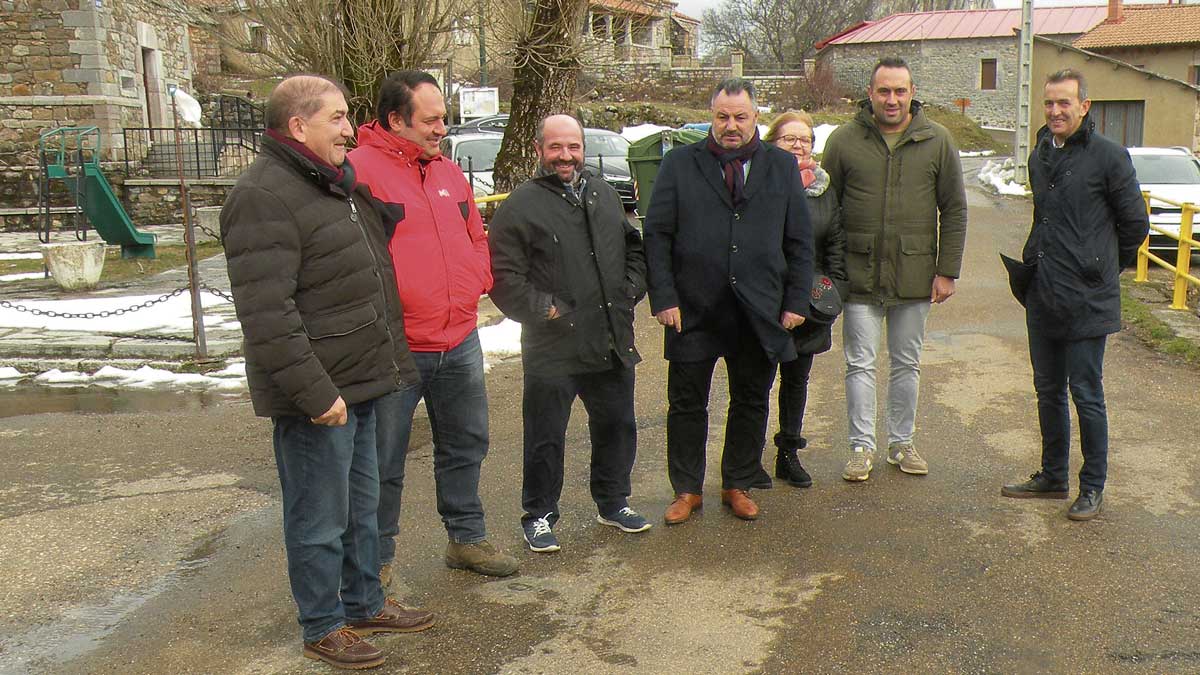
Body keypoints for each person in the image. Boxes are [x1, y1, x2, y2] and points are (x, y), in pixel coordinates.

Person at [220, 74, 434, 670]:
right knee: (317, 518)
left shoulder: (332, 183)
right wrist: (316, 395)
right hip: (321, 395)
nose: (349, 128)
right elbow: (267, 313)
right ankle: (322, 624)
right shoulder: (263, 194)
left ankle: (364, 602)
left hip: (362, 380)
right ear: (297, 126)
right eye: (338, 118)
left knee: (360, 509)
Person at [349, 71, 518, 578]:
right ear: (396, 119)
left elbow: (475, 235)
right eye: (431, 119)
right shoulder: (358, 171)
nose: (442, 128)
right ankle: (376, 563)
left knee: (466, 443)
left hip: (459, 337)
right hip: (395, 345)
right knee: (383, 462)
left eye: (444, 118)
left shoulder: (447, 172)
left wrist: (477, 279)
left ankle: (466, 538)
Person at [644, 78, 814, 524]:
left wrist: (796, 299)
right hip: (693, 308)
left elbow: (799, 240)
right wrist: (663, 296)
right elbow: (657, 234)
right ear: (711, 117)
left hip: (758, 309)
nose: (731, 126)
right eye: (722, 117)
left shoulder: (780, 166)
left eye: (740, 117)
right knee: (686, 403)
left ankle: (737, 481)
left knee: (751, 399)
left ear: (756, 117)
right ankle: (686, 489)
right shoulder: (680, 164)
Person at [489, 114, 651, 552]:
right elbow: (503, 275)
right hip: (553, 345)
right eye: (556, 147)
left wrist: (630, 289)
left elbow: (634, 248)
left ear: (582, 148)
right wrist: (546, 310)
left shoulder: (601, 194)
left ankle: (613, 501)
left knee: (617, 425)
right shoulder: (520, 205)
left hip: (609, 337)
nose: (566, 156)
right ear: (540, 149)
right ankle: (539, 514)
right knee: (545, 436)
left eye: (573, 147)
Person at [1000, 69, 1148, 521]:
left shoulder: (1109, 157)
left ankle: (1092, 486)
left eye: (1065, 103)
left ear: (1085, 106)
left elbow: (1135, 226)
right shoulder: (1040, 156)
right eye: (1049, 103)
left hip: (1088, 298)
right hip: (1043, 291)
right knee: (1047, 389)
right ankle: (1052, 474)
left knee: (1086, 392)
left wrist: (1101, 268)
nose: (1055, 111)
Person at [822, 57, 968, 482]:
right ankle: (860, 447)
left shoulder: (937, 140)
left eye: (899, 91)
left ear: (911, 93)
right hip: (858, 273)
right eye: (884, 91)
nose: (892, 99)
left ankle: (901, 443)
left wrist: (947, 270)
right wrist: (827, 269)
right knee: (860, 364)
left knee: (907, 363)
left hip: (914, 273)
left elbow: (954, 208)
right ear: (870, 93)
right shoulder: (844, 141)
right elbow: (825, 206)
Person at [763, 110, 847, 488]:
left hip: (808, 305)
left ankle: (788, 453)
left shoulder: (824, 190)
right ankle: (746, 458)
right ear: (771, 143)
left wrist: (833, 294)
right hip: (764, 303)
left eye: (806, 140)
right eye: (789, 139)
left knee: (796, 382)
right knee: (755, 384)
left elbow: (835, 248)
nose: (799, 146)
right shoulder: (759, 185)